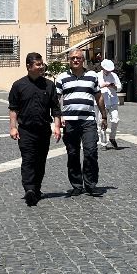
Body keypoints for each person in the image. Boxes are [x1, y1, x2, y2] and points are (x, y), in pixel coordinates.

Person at [8, 52, 61, 207]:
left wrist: (57, 127)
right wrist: (13, 127)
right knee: (28, 159)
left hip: (44, 130)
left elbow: (55, 108)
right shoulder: (18, 85)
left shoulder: (49, 85)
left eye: (42, 64)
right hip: (26, 130)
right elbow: (13, 108)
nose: (41, 67)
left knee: (40, 161)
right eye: (38, 64)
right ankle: (29, 189)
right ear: (29, 66)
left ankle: (36, 188)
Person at [55, 50, 107, 196]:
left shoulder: (92, 76)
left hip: (88, 121)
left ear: (83, 60)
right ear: (69, 60)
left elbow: (98, 96)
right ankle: (77, 185)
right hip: (69, 122)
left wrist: (104, 116)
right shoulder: (62, 77)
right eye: (72, 58)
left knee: (91, 152)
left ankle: (90, 185)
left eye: (78, 58)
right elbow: (56, 100)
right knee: (73, 154)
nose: (75, 60)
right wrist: (58, 118)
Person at [97, 59, 122, 149]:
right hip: (102, 102)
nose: (108, 72)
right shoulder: (97, 76)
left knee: (115, 120)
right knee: (102, 122)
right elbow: (93, 88)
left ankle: (112, 137)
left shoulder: (114, 75)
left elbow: (119, 87)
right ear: (103, 68)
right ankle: (103, 143)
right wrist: (102, 85)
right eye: (107, 70)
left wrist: (113, 86)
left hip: (113, 101)